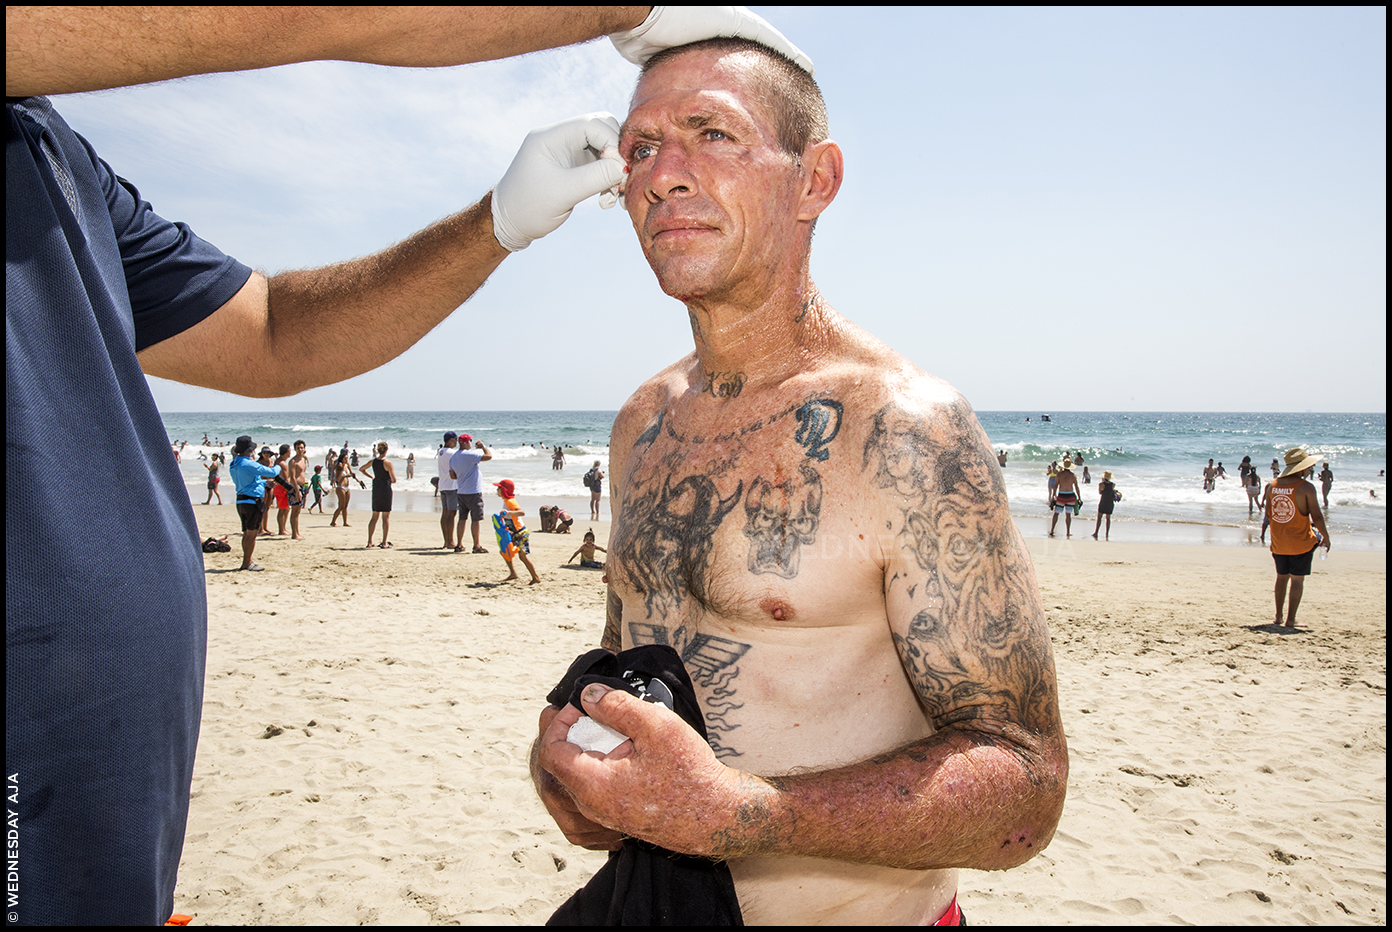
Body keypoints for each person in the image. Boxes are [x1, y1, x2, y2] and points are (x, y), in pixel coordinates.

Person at [532, 38, 1066, 927]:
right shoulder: (643, 422)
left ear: (814, 180)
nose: (664, 174)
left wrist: (745, 815)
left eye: (713, 134)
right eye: (640, 147)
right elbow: (637, 661)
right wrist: (574, 771)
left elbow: (1027, 789)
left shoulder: (904, 430)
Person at [1266, 448, 1331, 628]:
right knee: (1297, 580)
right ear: (1301, 468)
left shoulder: (1273, 485)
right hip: (1300, 543)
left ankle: (1278, 617)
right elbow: (1316, 516)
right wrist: (1326, 537)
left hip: (1279, 542)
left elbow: (1270, 514)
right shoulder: (1306, 487)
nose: (1310, 470)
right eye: (1308, 467)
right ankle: (1291, 619)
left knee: (1281, 577)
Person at [228, 436, 284, 572]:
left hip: (241, 500)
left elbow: (247, 482)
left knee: (246, 533)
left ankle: (247, 560)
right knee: (252, 534)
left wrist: (264, 483)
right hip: (252, 501)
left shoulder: (234, 464)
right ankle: (247, 562)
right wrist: (279, 463)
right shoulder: (248, 464)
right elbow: (271, 472)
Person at [450, 434, 493, 553]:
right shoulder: (469, 455)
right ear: (465, 443)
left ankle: (459, 544)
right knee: (475, 519)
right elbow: (489, 456)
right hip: (473, 491)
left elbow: (453, 476)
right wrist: (483, 446)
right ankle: (476, 545)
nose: (471, 443)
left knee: (462, 518)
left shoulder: (453, 458)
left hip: (461, 491)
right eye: (470, 441)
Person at [494, 479, 541, 584]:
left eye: (499, 488)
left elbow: (521, 512)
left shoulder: (511, 502)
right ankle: (513, 573)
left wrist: (509, 512)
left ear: (504, 490)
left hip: (521, 533)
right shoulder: (506, 502)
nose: (497, 490)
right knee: (504, 551)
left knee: (522, 556)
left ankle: (536, 577)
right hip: (512, 532)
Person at [360, 441, 397, 548]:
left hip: (376, 488)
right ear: (386, 450)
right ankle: (384, 542)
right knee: (385, 517)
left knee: (374, 516)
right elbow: (394, 480)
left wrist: (372, 477)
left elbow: (362, 469)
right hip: (385, 489)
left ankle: (369, 541)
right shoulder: (388, 463)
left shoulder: (373, 462)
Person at [330, 442, 365, 527]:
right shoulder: (339, 466)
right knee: (341, 506)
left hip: (347, 487)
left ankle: (345, 522)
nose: (347, 460)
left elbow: (352, 474)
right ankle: (333, 521)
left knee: (345, 506)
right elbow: (338, 478)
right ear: (342, 459)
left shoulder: (347, 465)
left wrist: (359, 481)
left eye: (347, 458)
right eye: (345, 458)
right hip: (340, 487)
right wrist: (346, 475)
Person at [1049, 456, 1082, 538]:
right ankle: (1068, 532)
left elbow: (1056, 486)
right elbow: (1076, 487)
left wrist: (1053, 495)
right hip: (1070, 495)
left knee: (1056, 514)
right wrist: (1079, 497)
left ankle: (1052, 530)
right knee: (1068, 515)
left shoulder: (1059, 475)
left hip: (1062, 495)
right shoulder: (1073, 475)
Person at [437, 431, 460, 548]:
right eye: (455, 440)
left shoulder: (441, 451)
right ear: (451, 440)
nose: (456, 442)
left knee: (445, 513)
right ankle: (450, 541)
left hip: (443, 484)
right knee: (451, 514)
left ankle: (446, 540)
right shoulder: (452, 453)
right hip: (451, 485)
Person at [287, 439, 309, 540]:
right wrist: (296, 491)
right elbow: (292, 477)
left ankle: (297, 531)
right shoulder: (293, 461)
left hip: (302, 486)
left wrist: (306, 486)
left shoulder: (303, 459)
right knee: (294, 511)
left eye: (301, 448)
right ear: (295, 449)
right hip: (294, 487)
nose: (300, 449)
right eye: (298, 448)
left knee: (298, 511)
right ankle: (294, 534)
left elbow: (302, 474)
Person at [1092, 470, 1119, 540]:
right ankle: (1107, 533)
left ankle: (1096, 532)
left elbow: (1100, 492)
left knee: (1099, 518)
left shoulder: (1101, 484)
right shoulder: (1113, 484)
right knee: (1108, 518)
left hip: (1103, 501)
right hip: (1110, 503)